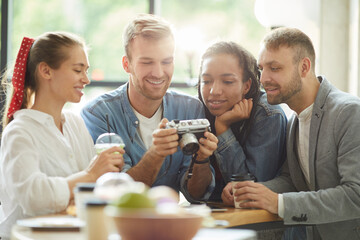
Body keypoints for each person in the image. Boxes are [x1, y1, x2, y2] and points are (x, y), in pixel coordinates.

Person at [222, 27, 360, 240]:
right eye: (261, 69)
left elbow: (356, 196)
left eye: (275, 68)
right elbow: (293, 180)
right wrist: (250, 192)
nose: (264, 78)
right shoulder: (295, 118)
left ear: (304, 67)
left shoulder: (349, 112)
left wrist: (278, 203)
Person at [81, 14, 218, 202]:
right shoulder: (97, 114)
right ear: (126, 64)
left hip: (171, 224)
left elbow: (196, 194)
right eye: (147, 62)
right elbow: (116, 193)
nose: (159, 73)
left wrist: (201, 159)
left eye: (166, 62)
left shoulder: (190, 108)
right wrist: (155, 154)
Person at [0, 32, 124, 239]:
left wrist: (104, 174)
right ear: (46, 71)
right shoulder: (19, 132)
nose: (86, 79)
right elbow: (33, 197)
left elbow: (87, 194)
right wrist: (91, 175)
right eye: (78, 70)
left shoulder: (75, 124)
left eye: (86, 70)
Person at [197, 41, 287, 202]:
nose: (214, 91)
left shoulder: (268, 114)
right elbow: (194, 194)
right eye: (206, 81)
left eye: (227, 82)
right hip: (213, 216)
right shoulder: (199, 111)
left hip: (256, 222)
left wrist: (223, 128)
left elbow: (250, 189)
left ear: (246, 86)